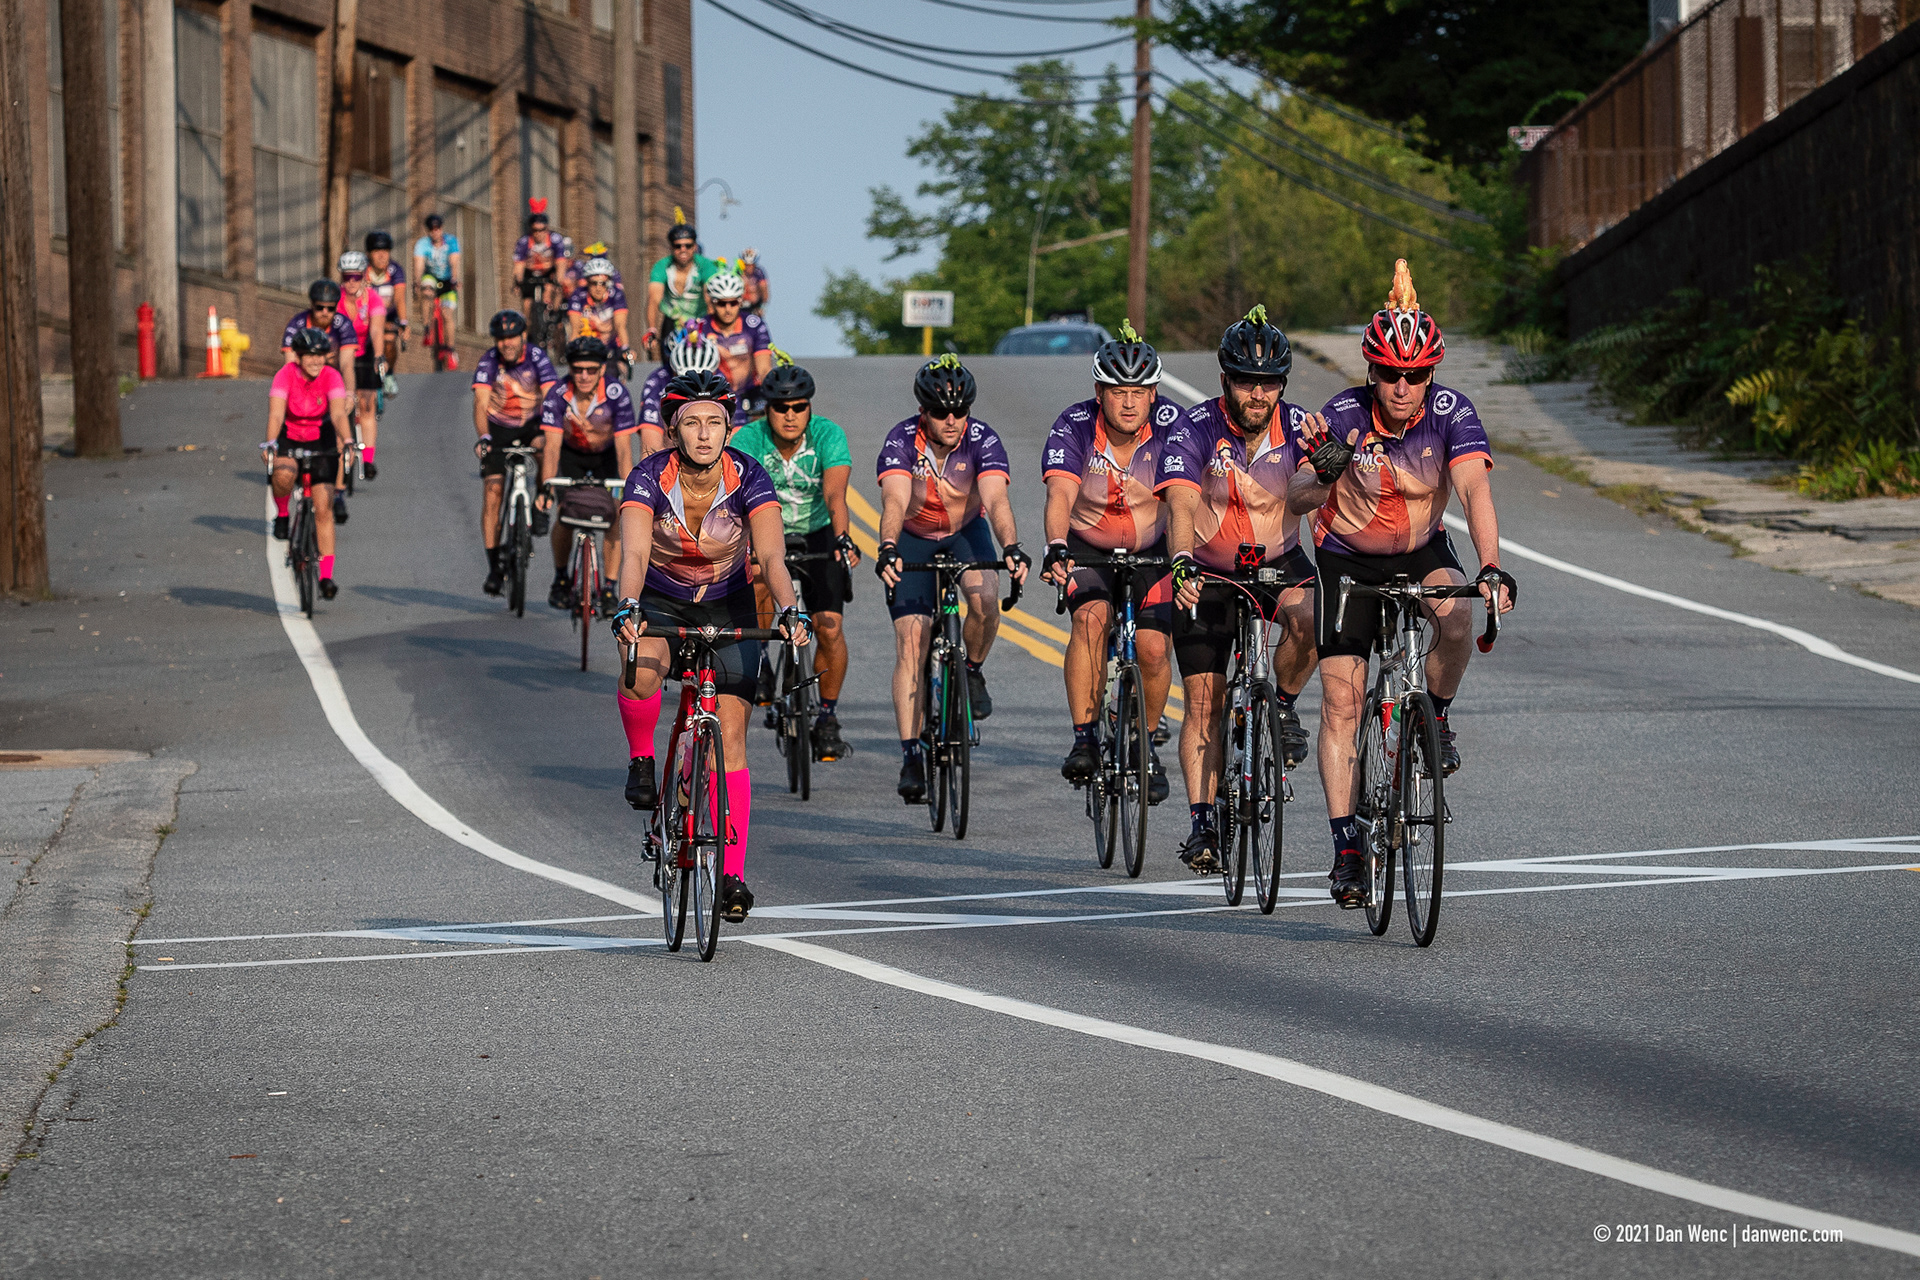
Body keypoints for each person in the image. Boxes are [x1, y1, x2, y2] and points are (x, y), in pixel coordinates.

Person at [1289, 261, 1515, 907]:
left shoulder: (1451, 413)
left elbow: (1473, 490)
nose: (1402, 386)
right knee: (1342, 703)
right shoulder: (1342, 414)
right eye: (1390, 373)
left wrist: (1491, 566)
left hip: (1419, 550)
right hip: (1348, 559)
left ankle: (1435, 717)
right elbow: (1297, 499)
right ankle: (1346, 848)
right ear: (1372, 371)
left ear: (1431, 375)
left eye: (1415, 375)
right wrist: (1323, 472)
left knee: (1458, 615)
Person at [610, 370, 811, 922]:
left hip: (728, 603)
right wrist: (628, 606)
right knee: (640, 669)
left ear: (729, 428)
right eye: (692, 423)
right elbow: (633, 555)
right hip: (662, 598)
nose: (704, 434)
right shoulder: (648, 478)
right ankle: (642, 758)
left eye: (715, 423)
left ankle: (731, 875)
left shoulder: (749, 476)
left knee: (734, 734)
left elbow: (771, 556)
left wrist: (790, 608)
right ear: (674, 429)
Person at [1157, 305, 1324, 875]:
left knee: (1313, 617)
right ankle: (1203, 823)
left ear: (1282, 384)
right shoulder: (1194, 427)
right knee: (1204, 701)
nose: (1258, 393)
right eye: (1247, 381)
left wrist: (1325, 474)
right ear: (1225, 379)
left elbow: (1311, 496)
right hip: (1208, 568)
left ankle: (1282, 707)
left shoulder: (1301, 427)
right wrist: (1182, 562)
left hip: (1279, 559)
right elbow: (1180, 501)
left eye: (1269, 383)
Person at [873, 355, 1030, 804]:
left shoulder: (982, 439)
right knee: (912, 641)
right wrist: (888, 547)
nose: (952, 420)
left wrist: (1011, 547)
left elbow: (996, 501)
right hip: (913, 536)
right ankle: (910, 755)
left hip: (965, 531)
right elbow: (894, 501)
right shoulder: (902, 440)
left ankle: (972, 671)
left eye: (960, 411)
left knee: (985, 598)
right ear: (923, 410)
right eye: (941, 412)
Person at [1039, 321, 1176, 804]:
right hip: (1088, 546)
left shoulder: (1173, 424)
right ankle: (1084, 738)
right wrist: (1057, 544)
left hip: (1153, 547)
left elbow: (1193, 493)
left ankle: (1145, 742)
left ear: (1154, 394)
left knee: (1154, 650)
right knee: (1091, 619)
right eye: (1118, 392)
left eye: (1139, 392)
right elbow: (1060, 494)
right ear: (1100, 393)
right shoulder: (1074, 425)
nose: (1129, 403)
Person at [729, 359, 860, 761]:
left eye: (799, 407)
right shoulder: (749, 438)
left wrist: (843, 538)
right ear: (767, 409)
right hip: (765, 529)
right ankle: (763, 659)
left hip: (818, 530)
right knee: (759, 580)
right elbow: (737, 496)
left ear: (809, 407)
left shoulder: (828, 435)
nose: (790, 415)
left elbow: (835, 494)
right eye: (780, 407)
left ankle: (828, 716)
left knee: (829, 628)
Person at [538, 335, 639, 613]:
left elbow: (624, 450)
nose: (584, 376)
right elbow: (552, 448)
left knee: (615, 516)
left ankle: (609, 588)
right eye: (578, 369)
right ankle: (561, 579)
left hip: (606, 456)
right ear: (569, 369)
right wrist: (546, 488)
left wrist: (629, 492)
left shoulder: (617, 394)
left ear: (602, 369)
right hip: (571, 456)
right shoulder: (557, 394)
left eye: (591, 370)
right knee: (565, 515)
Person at [472, 310, 560, 596]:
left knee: (545, 449)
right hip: (498, 428)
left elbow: (551, 395)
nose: (506, 343)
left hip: (532, 423)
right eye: (501, 339)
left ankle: (541, 502)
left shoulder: (537, 358)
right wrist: (484, 437)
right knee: (492, 492)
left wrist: (551, 431)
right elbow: (480, 403)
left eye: (512, 337)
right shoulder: (489, 361)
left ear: (523, 336)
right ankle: (494, 567)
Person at [265, 328, 354, 600]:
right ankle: (282, 514)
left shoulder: (331, 376)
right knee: (282, 475)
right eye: (310, 356)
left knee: (323, 508)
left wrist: (347, 440)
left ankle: (326, 576)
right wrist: (271, 443)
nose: (316, 361)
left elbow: (338, 414)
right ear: (299, 357)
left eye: (321, 355)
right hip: (290, 435)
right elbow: (276, 414)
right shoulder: (285, 375)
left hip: (321, 438)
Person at [689, 270, 771, 423]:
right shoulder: (701, 328)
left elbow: (764, 368)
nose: (728, 309)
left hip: (750, 391)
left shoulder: (753, 325)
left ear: (740, 301)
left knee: (763, 421)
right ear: (713, 302)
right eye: (721, 303)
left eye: (733, 303)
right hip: (716, 392)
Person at [336, 250, 387, 480]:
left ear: (363, 276)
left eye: (356, 277)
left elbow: (376, 330)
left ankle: (368, 459)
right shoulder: (335, 299)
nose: (351, 282)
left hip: (365, 352)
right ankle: (341, 449)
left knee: (367, 405)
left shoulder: (372, 299)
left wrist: (379, 356)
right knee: (340, 403)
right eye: (347, 277)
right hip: (340, 353)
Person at [637, 331, 721, 458]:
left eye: (702, 381)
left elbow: (736, 446)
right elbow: (650, 452)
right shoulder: (658, 382)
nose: (694, 391)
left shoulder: (721, 383)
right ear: (674, 374)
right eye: (686, 382)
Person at [643, 221, 720, 358]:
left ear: (695, 246)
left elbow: (710, 299)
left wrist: (712, 328)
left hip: (700, 319)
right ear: (671, 247)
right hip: (673, 320)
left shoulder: (705, 266)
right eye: (677, 246)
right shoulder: (662, 266)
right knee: (669, 359)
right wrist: (652, 330)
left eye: (688, 246)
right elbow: (654, 300)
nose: (683, 250)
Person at [512, 203, 569, 334]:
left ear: (547, 228)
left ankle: (553, 316)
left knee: (554, 289)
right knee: (527, 305)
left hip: (548, 272)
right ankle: (527, 333)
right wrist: (518, 282)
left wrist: (559, 280)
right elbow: (519, 265)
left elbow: (561, 262)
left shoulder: (555, 239)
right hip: (530, 273)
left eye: (542, 230)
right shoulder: (524, 242)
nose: (539, 233)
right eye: (535, 230)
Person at [566, 258, 631, 371]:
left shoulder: (616, 294)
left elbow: (620, 326)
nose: (598, 288)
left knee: (620, 369)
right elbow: (575, 329)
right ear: (587, 282)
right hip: (587, 345)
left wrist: (625, 348)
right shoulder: (578, 295)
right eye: (593, 283)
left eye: (603, 283)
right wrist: (571, 353)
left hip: (611, 344)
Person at [280, 280, 357, 369]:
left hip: (333, 373)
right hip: (303, 373)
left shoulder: (344, 324)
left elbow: (347, 367)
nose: (325, 312)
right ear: (312, 305)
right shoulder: (297, 324)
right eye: (319, 307)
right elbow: (290, 366)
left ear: (336, 307)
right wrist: (321, 359)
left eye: (330, 308)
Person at [413, 214, 462, 351]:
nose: (435, 232)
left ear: (442, 228)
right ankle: (426, 326)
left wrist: (454, 279)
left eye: (438, 228)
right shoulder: (422, 244)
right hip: (431, 276)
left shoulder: (451, 241)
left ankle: (450, 348)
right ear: (428, 231)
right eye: (432, 229)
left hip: (447, 279)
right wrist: (417, 281)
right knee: (427, 290)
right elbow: (419, 264)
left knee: (447, 314)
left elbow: (454, 262)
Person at [365, 230, 406, 384]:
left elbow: (400, 299)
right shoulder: (363, 271)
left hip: (388, 316)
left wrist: (404, 323)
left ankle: (389, 375)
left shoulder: (395, 270)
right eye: (377, 251)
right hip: (366, 316)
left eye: (386, 251)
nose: (382, 256)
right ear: (369, 254)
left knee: (389, 339)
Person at [738, 248, 769, 316]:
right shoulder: (738, 272)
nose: (748, 268)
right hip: (739, 307)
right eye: (746, 265)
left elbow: (764, 290)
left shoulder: (759, 273)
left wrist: (761, 307)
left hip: (754, 307)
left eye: (751, 265)